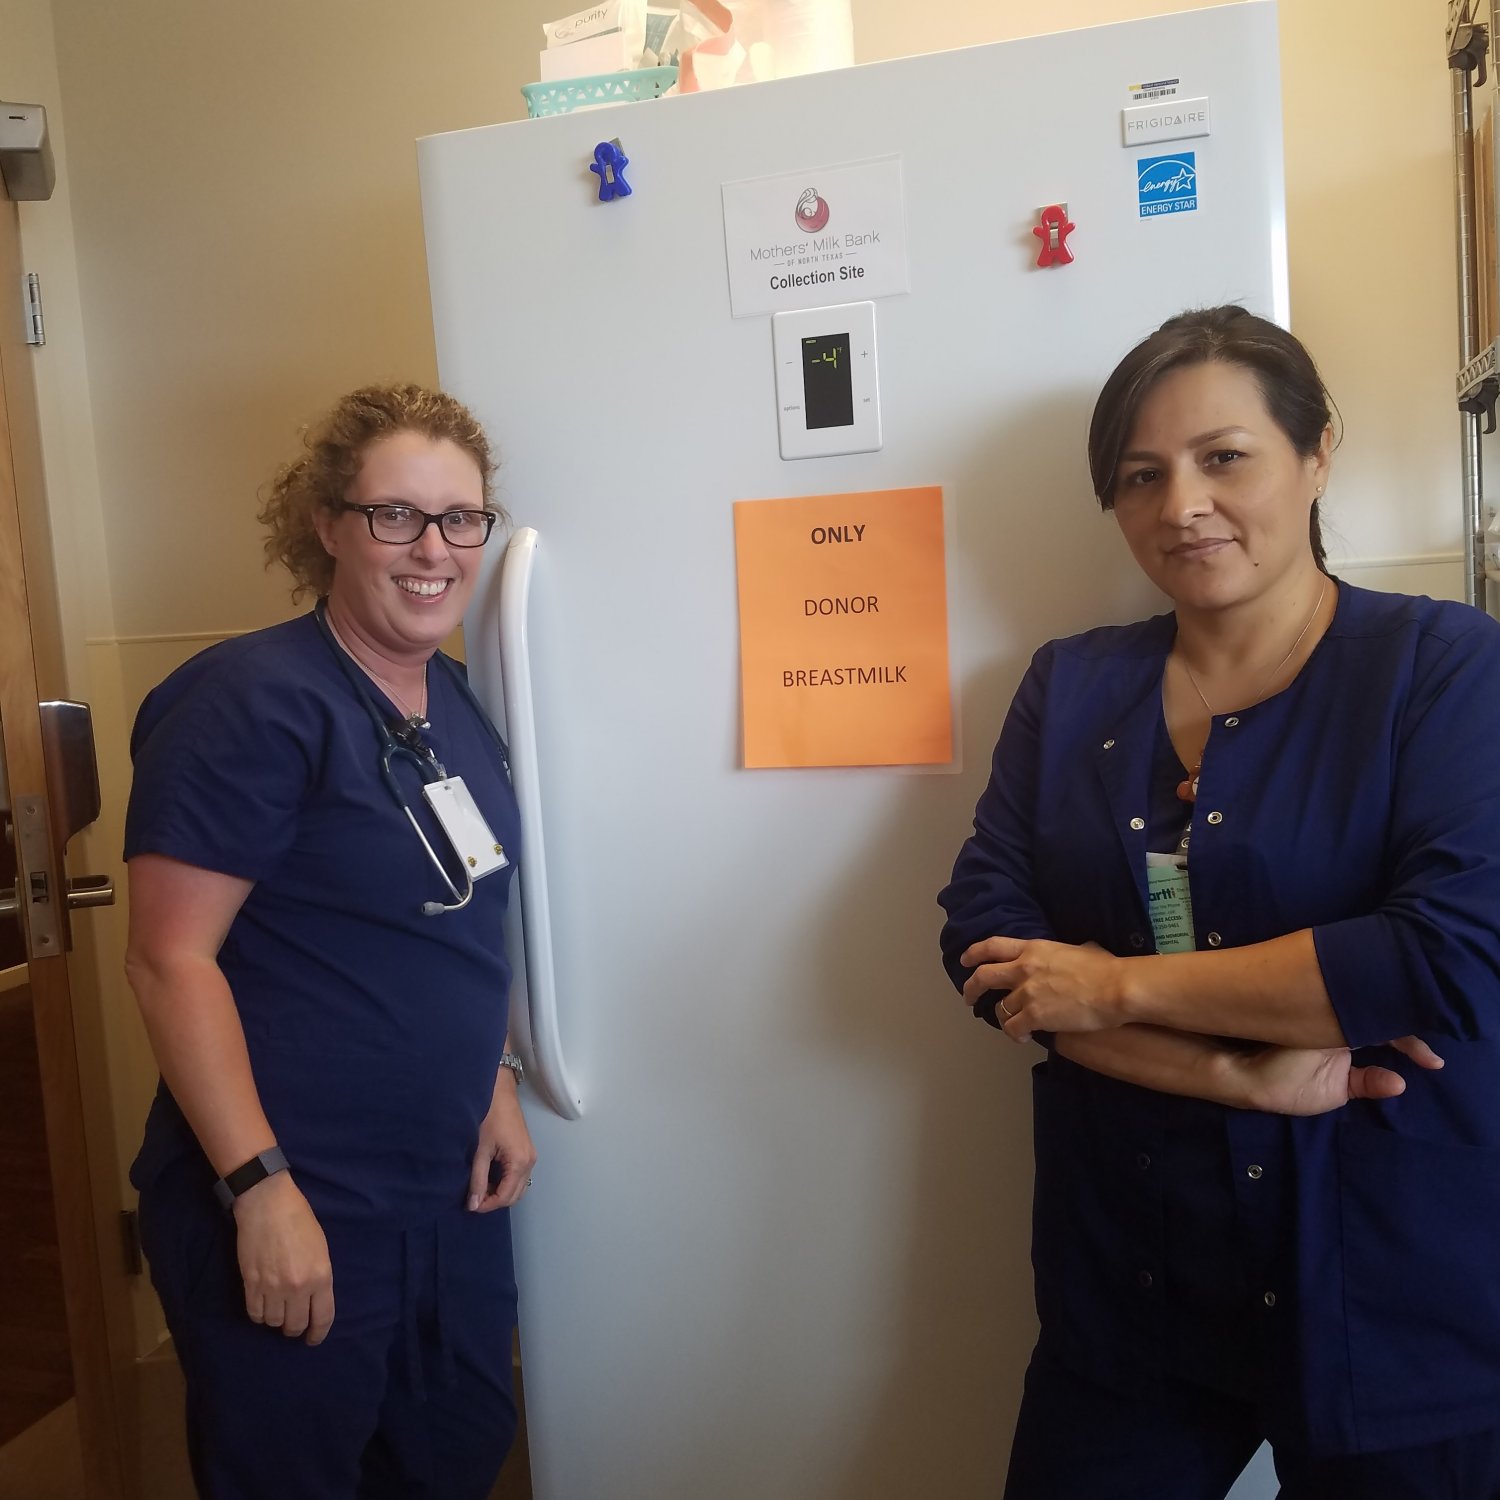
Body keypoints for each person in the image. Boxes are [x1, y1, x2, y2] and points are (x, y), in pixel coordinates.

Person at [938, 306, 1500, 1499]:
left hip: (1393, 1288)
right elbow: (985, 946)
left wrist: (1112, 989)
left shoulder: (1444, 666)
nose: (1181, 503)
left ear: (1318, 453)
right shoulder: (1069, 683)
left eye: (1223, 457)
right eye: (1142, 476)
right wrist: (1234, 1071)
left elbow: (1449, 955)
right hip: (1129, 1285)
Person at [123, 384, 534, 1499]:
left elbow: (453, 923)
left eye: (461, 519)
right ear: (328, 525)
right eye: (396, 515)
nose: (434, 548)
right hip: (301, 1194)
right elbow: (169, 959)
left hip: (443, 1199)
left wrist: (493, 1077)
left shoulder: (455, 702)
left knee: (451, 1456)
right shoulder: (248, 702)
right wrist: (259, 1188)